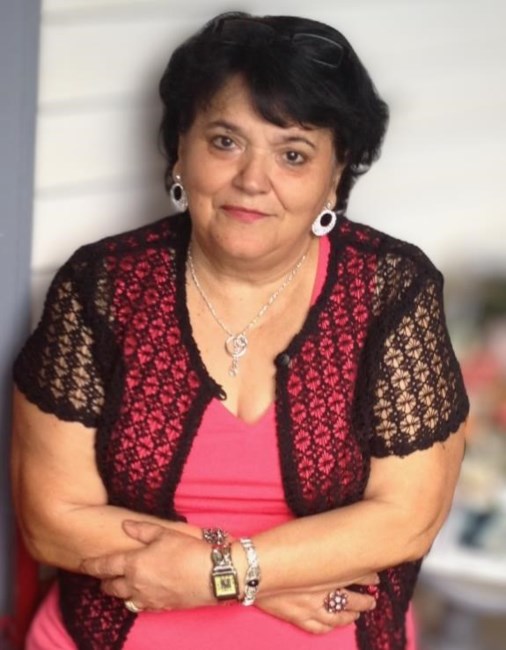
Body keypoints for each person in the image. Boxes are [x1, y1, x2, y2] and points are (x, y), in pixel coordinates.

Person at [11, 11, 469, 650]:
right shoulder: (103, 287)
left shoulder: (389, 291)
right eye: (226, 142)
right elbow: (52, 521)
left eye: (293, 154)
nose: (253, 180)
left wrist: (214, 574)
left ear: (335, 175)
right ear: (181, 148)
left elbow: (407, 519)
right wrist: (249, 576)